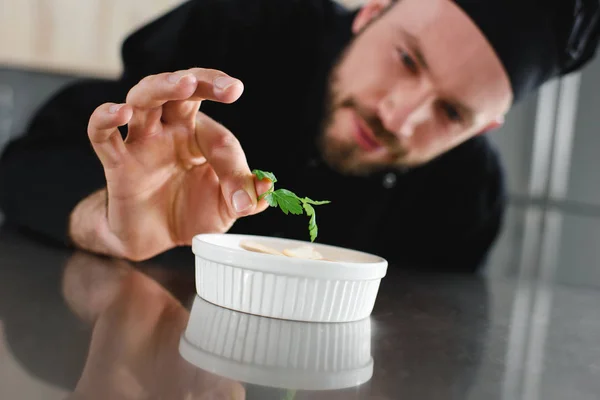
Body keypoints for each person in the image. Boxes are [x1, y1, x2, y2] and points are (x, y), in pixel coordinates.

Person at [0, 0, 598, 272]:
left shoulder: (467, 202)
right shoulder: (239, 30)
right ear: (372, 12)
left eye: (452, 113)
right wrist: (107, 219)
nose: (399, 116)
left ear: (485, 128)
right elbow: (28, 162)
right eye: (408, 60)